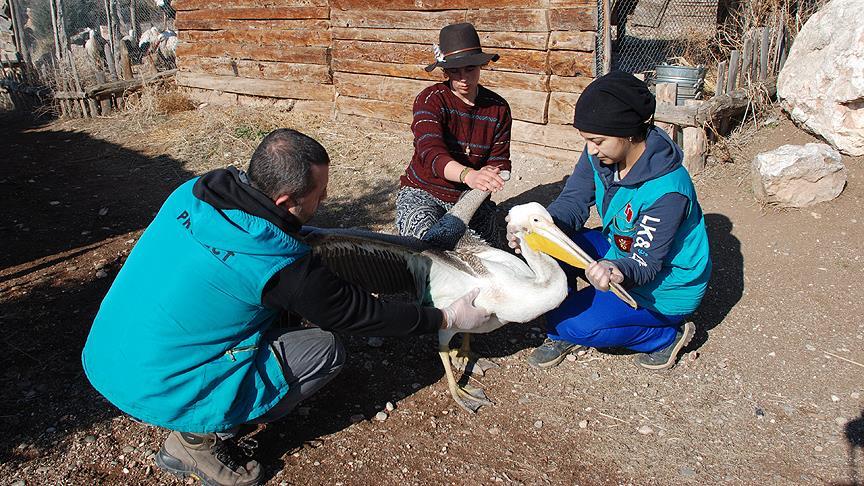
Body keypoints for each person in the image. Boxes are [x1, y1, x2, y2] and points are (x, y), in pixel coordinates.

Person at [81, 129, 491, 486]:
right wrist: (448, 317)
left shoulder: (197, 191)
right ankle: (198, 438)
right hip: (156, 386)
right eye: (319, 194)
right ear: (284, 200)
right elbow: (361, 314)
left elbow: (279, 239)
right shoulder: (278, 265)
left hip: (108, 354)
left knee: (265, 308)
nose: (324, 199)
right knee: (324, 350)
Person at [506, 71, 712, 371]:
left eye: (597, 141)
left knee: (572, 325)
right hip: (620, 247)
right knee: (547, 246)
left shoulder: (667, 191)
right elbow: (573, 201)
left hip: (662, 284)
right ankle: (569, 318)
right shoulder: (602, 155)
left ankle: (665, 335)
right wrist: (538, 229)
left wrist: (615, 269)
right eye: (587, 140)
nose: (591, 149)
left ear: (627, 133)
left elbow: (645, 264)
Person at [396, 22, 512, 245]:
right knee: (424, 249)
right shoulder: (430, 100)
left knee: (488, 254)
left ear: (481, 66)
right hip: (425, 191)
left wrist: (491, 172)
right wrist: (469, 175)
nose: (463, 78)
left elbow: (500, 159)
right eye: (455, 71)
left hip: (471, 194)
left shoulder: (498, 108)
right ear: (445, 71)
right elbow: (431, 153)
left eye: (470, 69)